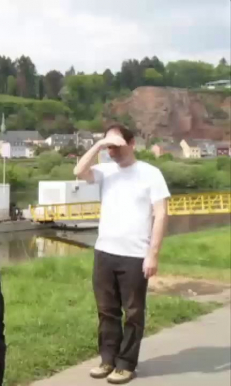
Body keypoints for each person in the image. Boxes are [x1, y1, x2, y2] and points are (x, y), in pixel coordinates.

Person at [74, 123, 170, 384]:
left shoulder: (151, 174)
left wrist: (153, 254)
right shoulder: (105, 172)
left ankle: (126, 364)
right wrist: (98, 145)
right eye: (110, 146)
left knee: (134, 312)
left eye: (117, 145)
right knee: (106, 310)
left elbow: (161, 214)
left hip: (135, 255)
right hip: (104, 251)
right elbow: (78, 170)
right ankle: (108, 359)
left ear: (132, 144)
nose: (113, 151)